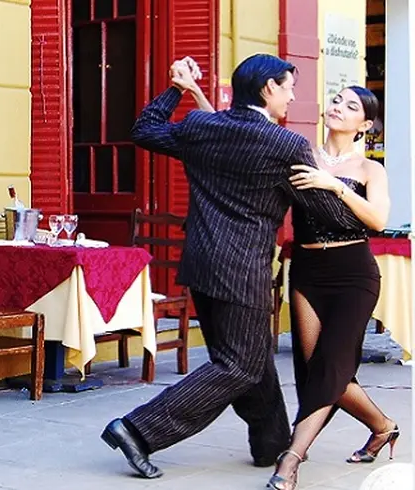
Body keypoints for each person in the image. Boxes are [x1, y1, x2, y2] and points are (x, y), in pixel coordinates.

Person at [99, 53, 365, 479]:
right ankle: (137, 431)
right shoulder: (286, 145)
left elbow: (144, 130)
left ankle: (273, 442)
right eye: (288, 86)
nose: (293, 96)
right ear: (267, 89)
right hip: (244, 269)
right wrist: (347, 194)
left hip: (202, 263)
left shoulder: (202, 127)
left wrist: (177, 89)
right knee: (238, 364)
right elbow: (323, 210)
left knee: (251, 356)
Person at [264, 86, 397, 489]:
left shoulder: (370, 170)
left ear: (366, 124)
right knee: (317, 371)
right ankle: (383, 426)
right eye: (336, 100)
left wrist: (335, 185)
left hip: (353, 273)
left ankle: (290, 460)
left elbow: (377, 220)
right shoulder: (301, 155)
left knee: (331, 367)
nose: (339, 107)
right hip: (305, 270)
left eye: (351, 106)